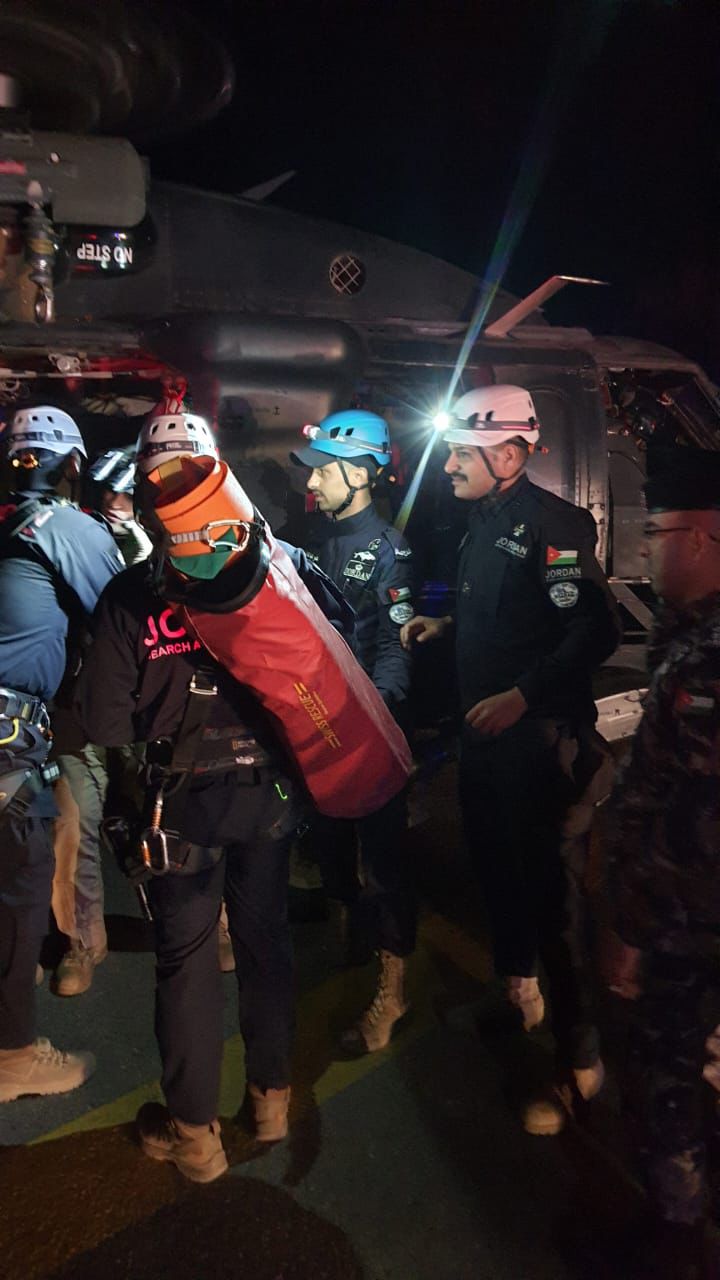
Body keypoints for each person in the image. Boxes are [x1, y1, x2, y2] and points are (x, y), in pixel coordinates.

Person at [73, 411, 356, 1182]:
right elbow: (341, 644)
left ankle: (195, 1136)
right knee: (265, 943)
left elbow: (104, 721)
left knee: (188, 963)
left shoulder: (132, 595)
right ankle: (270, 1101)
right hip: (269, 798)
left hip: (181, 810)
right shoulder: (282, 565)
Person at [401, 384, 619, 1132]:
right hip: (487, 741)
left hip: (538, 744)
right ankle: (519, 995)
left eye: (461, 452)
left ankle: (579, 1061)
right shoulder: (484, 520)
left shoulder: (553, 527)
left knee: (553, 902)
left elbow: (591, 631)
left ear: (511, 452)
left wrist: (525, 696)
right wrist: (446, 626)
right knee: (496, 873)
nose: (449, 466)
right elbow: (512, 611)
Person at [603, 446, 720, 1273]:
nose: (644, 548)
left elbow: (690, 821)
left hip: (690, 924)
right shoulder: (691, 638)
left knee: (671, 1070)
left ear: (704, 537)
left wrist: (631, 924)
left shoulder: (710, 657)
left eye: (657, 531)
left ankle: (677, 1232)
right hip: (686, 916)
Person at [0, 404, 123, 1101]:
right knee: (20, 889)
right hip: (8, 737)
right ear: (74, 464)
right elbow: (126, 620)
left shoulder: (6, 523)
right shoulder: (67, 527)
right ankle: (13, 1056)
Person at [291, 409, 416, 1054]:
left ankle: (392, 990)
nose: (312, 482)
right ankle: (350, 932)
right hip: (317, 724)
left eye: (325, 470)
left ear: (362, 475)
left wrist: (380, 716)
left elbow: (395, 645)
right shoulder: (310, 541)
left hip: (366, 731)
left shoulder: (389, 551)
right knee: (331, 843)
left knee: (385, 862)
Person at [51, 446, 153, 997]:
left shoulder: (166, 549)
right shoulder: (65, 541)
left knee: (171, 816)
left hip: (144, 710)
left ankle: (213, 926)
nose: (116, 501)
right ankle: (82, 940)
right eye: (107, 491)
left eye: (128, 493)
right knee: (72, 826)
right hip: (78, 708)